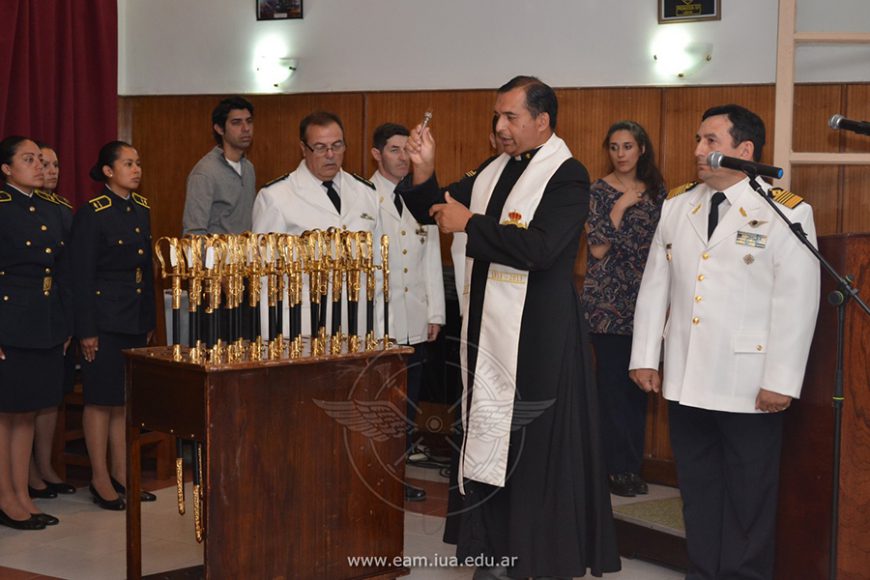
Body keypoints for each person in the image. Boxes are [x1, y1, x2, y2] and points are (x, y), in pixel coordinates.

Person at [400, 76, 620, 579]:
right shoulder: (490, 170)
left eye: (510, 118)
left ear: (543, 121)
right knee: (487, 436)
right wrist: (425, 171)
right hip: (487, 328)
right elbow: (433, 211)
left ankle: (536, 556)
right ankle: (491, 549)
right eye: (496, 117)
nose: (499, 127)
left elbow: (541, 249)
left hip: (541, 333)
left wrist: (470, 224)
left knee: (531, 442)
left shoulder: (567, 175)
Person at [629, 104, 820, 580]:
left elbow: (797, 303)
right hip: (688, 376)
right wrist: (644, 356)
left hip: (748, 382)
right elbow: (655, 286)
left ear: (744, 151)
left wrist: (781, 380)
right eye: (698, 139)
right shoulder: (677, 205)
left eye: (710, 141)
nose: (698, 150)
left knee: (749, 497)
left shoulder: (784, 211)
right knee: (698, 490)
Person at [581, 121, 665, 498]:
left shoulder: (659, 193)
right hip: (607, 304)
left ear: (641, 149)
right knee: (612, 388)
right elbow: (598, 248)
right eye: (614, 147)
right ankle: (613, 468)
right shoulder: (598, 191)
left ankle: (630, 465)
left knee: (638, 391)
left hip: (646, 301)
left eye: (628, 146)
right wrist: (620, 205)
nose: (621, 154)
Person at [71, 141, 157, 510]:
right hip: (103, 319)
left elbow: (145, 271)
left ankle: (123, 475)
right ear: (108, 171)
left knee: (124, 401)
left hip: (134, 316)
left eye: (138, 163)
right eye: (127, 163)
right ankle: (100, 478)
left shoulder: (141, 208)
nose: (136, 169)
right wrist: (86, 328)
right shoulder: (94, 211)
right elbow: (81, 273)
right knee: (100, 400)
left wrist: (150, 319)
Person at [252, 111, 382, 337]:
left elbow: (378, 269)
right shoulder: (276, 197)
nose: (330, 154)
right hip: (303, 325)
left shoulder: (366, 192)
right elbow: (265, 279)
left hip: (360, 323)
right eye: (320, 147)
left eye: (337, 145)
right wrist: (271, 338)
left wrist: (380, 329)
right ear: (303, 149)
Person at [370, 122, 445, 501]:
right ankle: (376, 475)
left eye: (407, 150)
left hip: (415, 317)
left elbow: (431, 255)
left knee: (407, 401)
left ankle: (398, 475)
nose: (403, 158)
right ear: (376, 154)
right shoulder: (363, 196)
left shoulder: (421, 195)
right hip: (378, 320)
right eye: (395, 150)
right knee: (378, 403)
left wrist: (436, 312)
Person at [0, 136, 70, 530]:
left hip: (43, 318)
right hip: (9, 318)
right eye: (28, 160)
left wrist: (62, 323)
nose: (39, 165)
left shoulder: (49, 208)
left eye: (40, 159)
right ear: (7, 169)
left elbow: (60, 272)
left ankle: (22, 493)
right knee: (5, 412)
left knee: (27, 410)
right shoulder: (3, 207)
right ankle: (5, 496)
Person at [26, 143, 77, 499]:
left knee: (50, 396)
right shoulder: (19, 208)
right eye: (43, 163)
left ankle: (43, 464)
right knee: (23, 400)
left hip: (56, 309)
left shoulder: (63, 209)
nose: (51, 170)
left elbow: (69, 268)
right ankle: (27, 471)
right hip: (27, 311)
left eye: (56, 164)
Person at [182, 96, 256, 235]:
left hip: (246, 255)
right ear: (219, 129)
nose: (246, 128)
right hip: (216, 256)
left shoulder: (248, 168)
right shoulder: (205, 173)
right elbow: (194, 232)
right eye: (236, 123)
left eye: (249, 121)